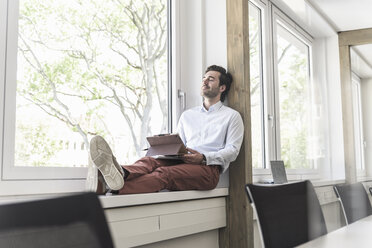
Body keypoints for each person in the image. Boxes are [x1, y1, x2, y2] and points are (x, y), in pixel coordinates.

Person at [89, 65, 244, 194]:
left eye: (211, 79)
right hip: (183, 161)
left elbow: (233, 151)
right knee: (150, 161)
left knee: (165, 174)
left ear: (222, 87)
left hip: (208, 170)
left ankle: (112, 187)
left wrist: (203, 157)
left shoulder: (231, 116)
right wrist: (166, 145)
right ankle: (119, 173)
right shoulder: (188, 115)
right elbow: (180, 145)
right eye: (203, 78)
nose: (205, 81)